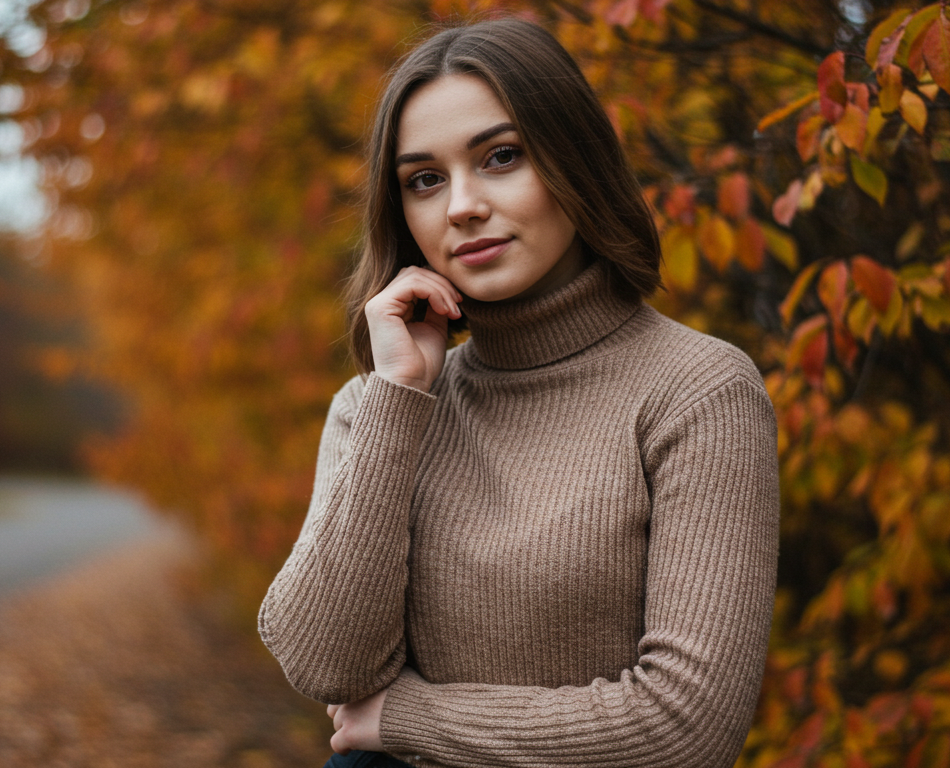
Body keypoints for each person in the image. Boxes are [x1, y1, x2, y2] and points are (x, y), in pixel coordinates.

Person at [258, 18, 779, 768]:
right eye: (424, 179)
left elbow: (686, 730)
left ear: (574, 159)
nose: (461, 206)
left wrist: (409, 717)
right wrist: (399, 397)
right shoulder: (379, 406)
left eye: (501, 157)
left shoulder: (698, 392)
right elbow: (324, 668)